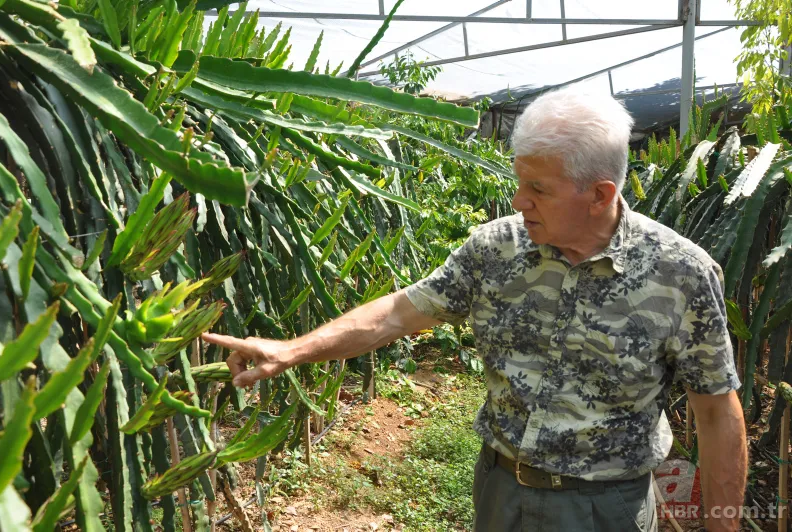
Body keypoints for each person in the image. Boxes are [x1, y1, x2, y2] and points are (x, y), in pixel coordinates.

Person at [203, 86, 747, 531]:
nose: (517, 201)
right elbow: (399, 313)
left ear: (600, 194)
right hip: (500, 491)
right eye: (517, 182)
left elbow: (717, 414)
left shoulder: (680, 274)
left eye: (537, 188)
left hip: (605, 508)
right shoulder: (497, 248)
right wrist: (292, 351)